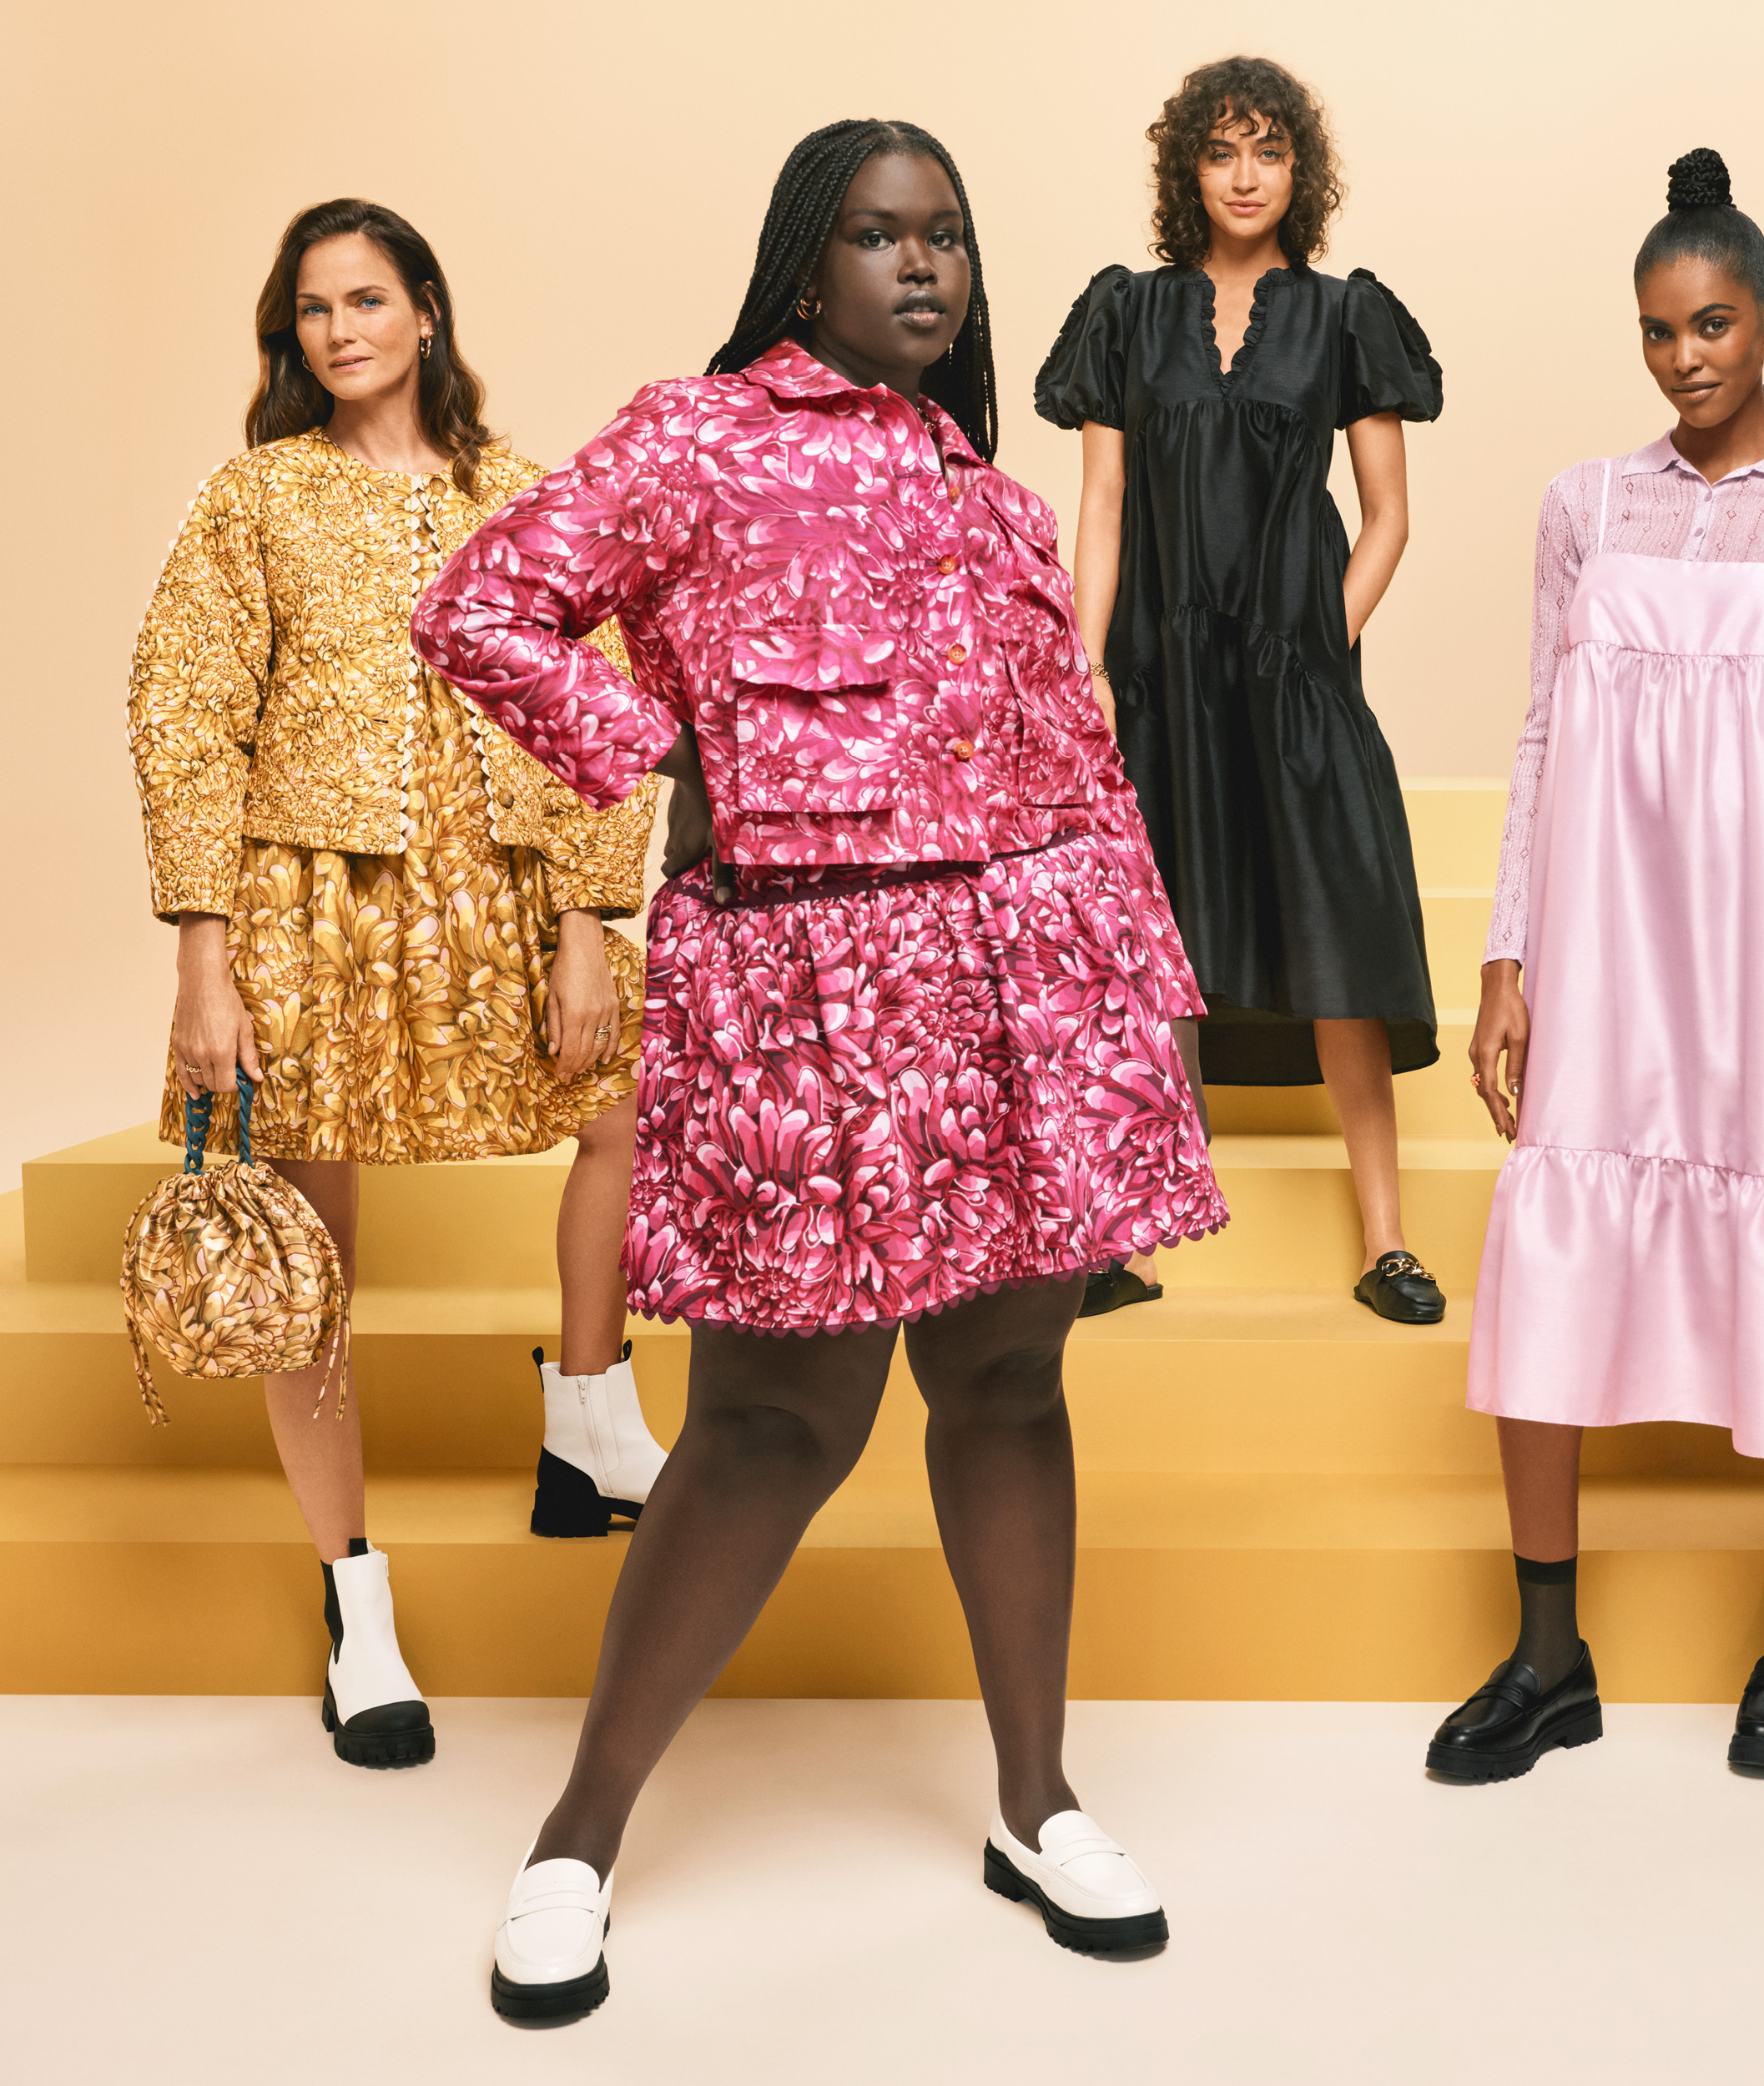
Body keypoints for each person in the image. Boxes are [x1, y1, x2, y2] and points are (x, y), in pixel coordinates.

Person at [414, 121, 1225, 2021]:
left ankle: (1037, 1798)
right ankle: (578, 1831)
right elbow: (481, 607)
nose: (919, 267)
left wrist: (1145, 1000)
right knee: (775, 1421)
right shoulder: (696, 440)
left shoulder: (989, 487)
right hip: (809, 987)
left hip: (1033, 985)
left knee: (1012, 1381)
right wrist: (659, 756)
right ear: (806, 266)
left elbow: (1077, 763)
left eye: (944, 235)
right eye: (877, 235)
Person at [1434, 149, 1764, 1786]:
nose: (1689, 358)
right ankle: (1545, 1653)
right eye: (1662, 331)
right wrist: (1509, 946)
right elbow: (1537, 731)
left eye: (1717, 323)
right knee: (1559, 1229)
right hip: (1612, 937)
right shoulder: (1582, 506)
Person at [128, 199, 663, 1771]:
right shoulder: (257, 500)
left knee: (626, 1107)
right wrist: (202, 958)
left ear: (426, 312)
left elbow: (598, 705)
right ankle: (352, 1597)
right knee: (312, 1256)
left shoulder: (525, 490)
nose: (340, 329)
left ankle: (584, 1418)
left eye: (368, 298)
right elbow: (184, 720)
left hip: (498, 900)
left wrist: (585, 919)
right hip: (312, 915)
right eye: (310, 308)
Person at [1036, 54, 1449, 1324]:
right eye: (1222, 151)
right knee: (1157, 940)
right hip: (1160, 671)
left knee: (1339, 934)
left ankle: (1386, 1239)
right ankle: (1134, 1233)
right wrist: (1086, 668)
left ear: (1298, 171)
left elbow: (1387, 516)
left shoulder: (1342, 316)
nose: (1245, 174)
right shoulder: (1127, 313)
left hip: (1291, 666)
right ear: (1188, 170)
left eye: (1268, 150)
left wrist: (1318, 639)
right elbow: (1101, 506)